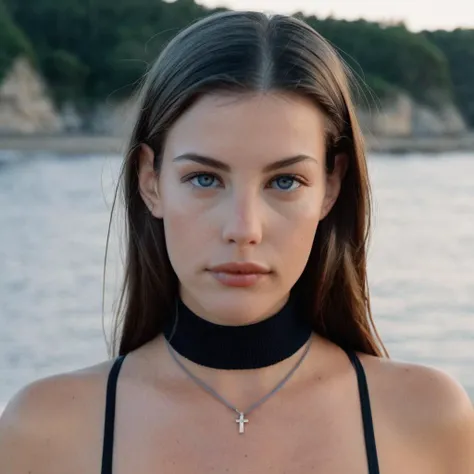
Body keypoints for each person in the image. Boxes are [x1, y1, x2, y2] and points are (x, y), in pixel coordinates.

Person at [0, 10, 472, 474]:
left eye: (285, 181)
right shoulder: (47, 430)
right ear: (151, 180)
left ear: (331, 186)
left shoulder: (427, 420)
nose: (244, 228)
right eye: (205, 178)